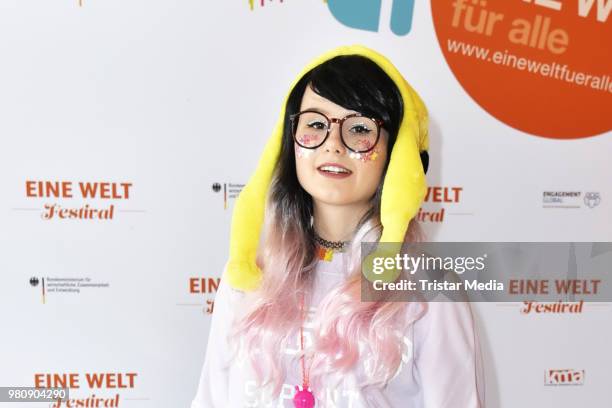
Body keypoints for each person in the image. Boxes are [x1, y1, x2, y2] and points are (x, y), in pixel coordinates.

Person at [191, 44, 484, 407]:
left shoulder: (429, 290)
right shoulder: (248, 275)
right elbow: (211, 398)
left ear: (397, 155)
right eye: (315, 124)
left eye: (360, 129)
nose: (333, 145)